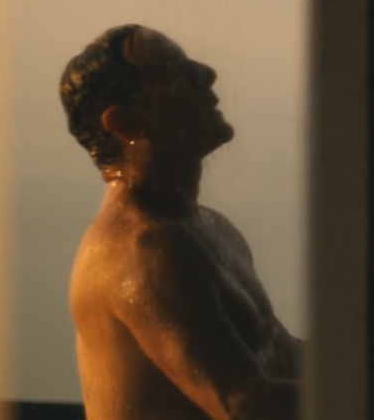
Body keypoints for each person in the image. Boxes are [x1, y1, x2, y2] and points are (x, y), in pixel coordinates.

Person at [60, 24, 300, 420]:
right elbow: (244, 405)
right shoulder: (142, 252)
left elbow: (283, 356)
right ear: (125, 122)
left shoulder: (208, 229)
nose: (207, 73)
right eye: (174, 70)